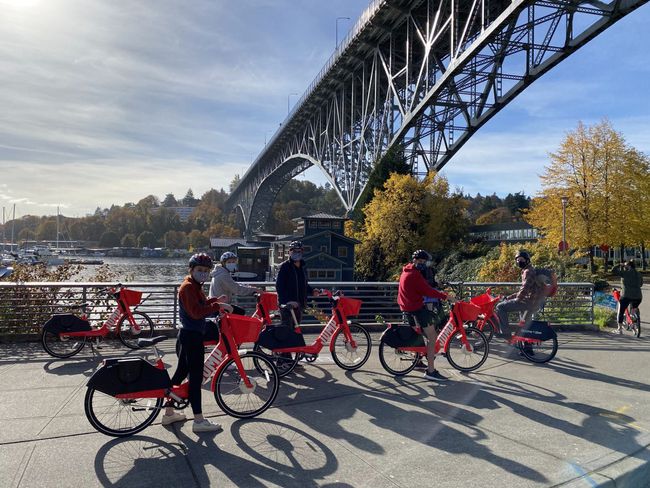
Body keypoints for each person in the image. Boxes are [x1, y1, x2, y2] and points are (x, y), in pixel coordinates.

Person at [161, 253, 233, 433]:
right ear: (191, 270)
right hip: (192, 336)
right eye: (200, 270)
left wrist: (215, 300)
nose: (203, 273)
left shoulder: (193, 286)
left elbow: (200, 304)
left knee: (179, 374)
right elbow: (195, 312)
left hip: (188, 335)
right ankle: (199, 420)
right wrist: (218, 307)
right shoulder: (187, 287)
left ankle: (169, 413)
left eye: (206, 271)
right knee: (195, 378)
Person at [398, 249, 451, 381]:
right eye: (420, 261)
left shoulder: (406, 271)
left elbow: (424, 288)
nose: (422, 264)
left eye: (424, 262)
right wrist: (446, 297)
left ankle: (417, 361)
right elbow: (428, 290)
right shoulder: (414, 275)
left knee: (420, 335)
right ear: (414, 260)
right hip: (416, 309)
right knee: (432, 336)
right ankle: (431, 371)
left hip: (407, 308)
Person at [495, 250, 542, 336]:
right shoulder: (528, 270)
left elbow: (525, 289)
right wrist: (510, 297)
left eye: (521, 259)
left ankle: (506, 334)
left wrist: (517, 299)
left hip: (527, 302)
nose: (519, 261)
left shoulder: (528, 272)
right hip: (529, 301)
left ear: (527, 260)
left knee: (500, 307)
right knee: (523, 326)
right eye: (517, 260)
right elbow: (523, 290)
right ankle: (526, 347)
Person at [275, 240, 318, 327]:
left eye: (299, 251)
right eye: (294, 251)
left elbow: (303, 284)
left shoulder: (302, 267)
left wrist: (312, 291)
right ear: (289, 252)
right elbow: (279, 286)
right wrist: (286, 302)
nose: (297, 253)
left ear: (302, 252)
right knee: (286, 331)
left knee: (295, 330)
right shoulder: (285, 266)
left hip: (299, 305)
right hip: (287, 306)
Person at [612, 259, 643, 334]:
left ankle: (619, 329)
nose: (624, 266)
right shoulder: (639, 274)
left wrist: (619, 265)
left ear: (628, 266)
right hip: (638, 296)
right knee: (634, 307)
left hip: (626, 296)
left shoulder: (625, 273)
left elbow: (613, 270)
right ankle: (634, 317)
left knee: (621, 311)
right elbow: (641, 284)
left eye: (625, 265)